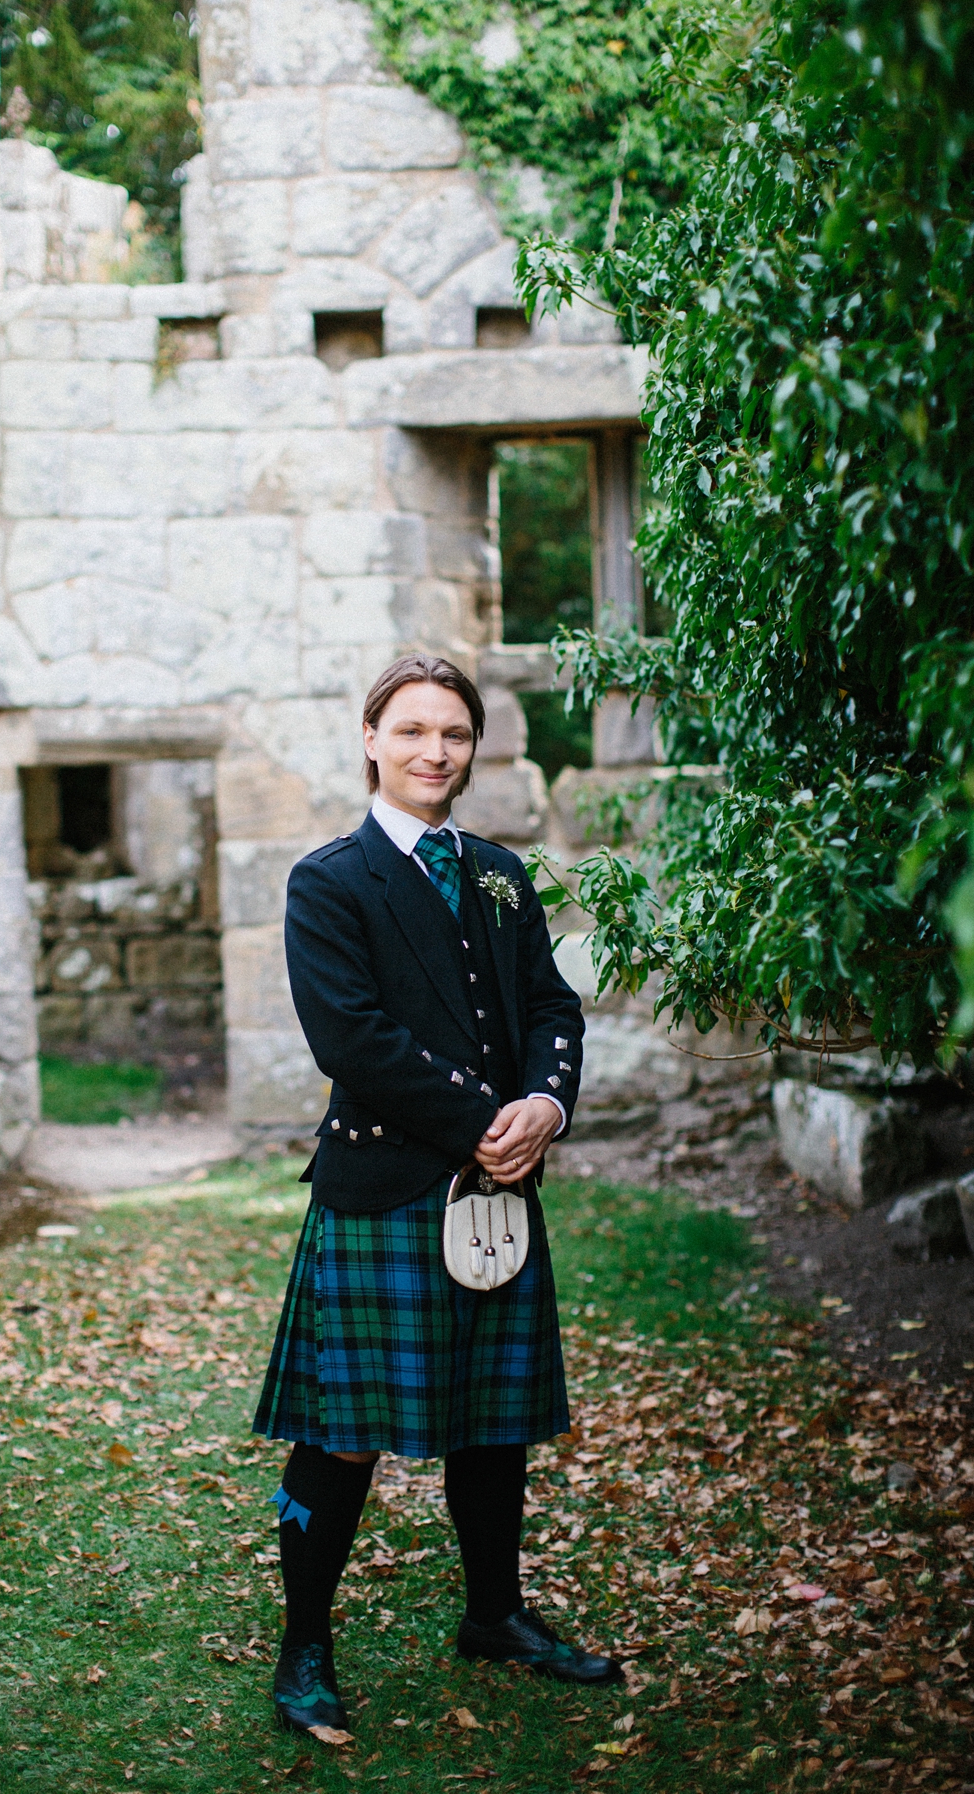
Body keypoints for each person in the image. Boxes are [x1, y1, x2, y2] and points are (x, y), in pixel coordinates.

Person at [253, 652, 624, 1736]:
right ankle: (305, 1648)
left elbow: (554, 1008)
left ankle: (496, 1614)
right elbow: (352, 1040)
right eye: (412, 730)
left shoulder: (503, 873)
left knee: (491, 1421)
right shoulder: (329, 880)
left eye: (454, 734)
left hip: (498, 1188)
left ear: (473, 748)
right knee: (341, 1432)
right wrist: (482, 1123)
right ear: (372, 739)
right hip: (385, 1190)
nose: (435, 752)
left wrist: (546, 1105)